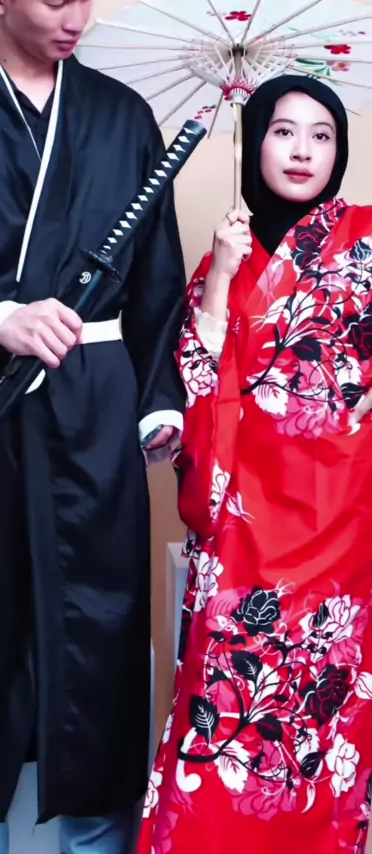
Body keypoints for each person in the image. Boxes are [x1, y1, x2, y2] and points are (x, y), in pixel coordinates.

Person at [0, 1, 186, 852]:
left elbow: (158, 276)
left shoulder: (122, 117)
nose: (76, 17)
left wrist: (157, 398)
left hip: (93, 411)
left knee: (98, 643)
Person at [137, 75, 372, 854]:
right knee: (220, 724)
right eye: (282, 131)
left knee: (325, 733)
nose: (303, 150)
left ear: (339, 151)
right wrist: (218, 278)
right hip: (242, 525)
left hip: (345, 526)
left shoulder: (367, 240)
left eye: (322, 135)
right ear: (256, 144)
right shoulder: (226, 256)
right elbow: (194, 384)